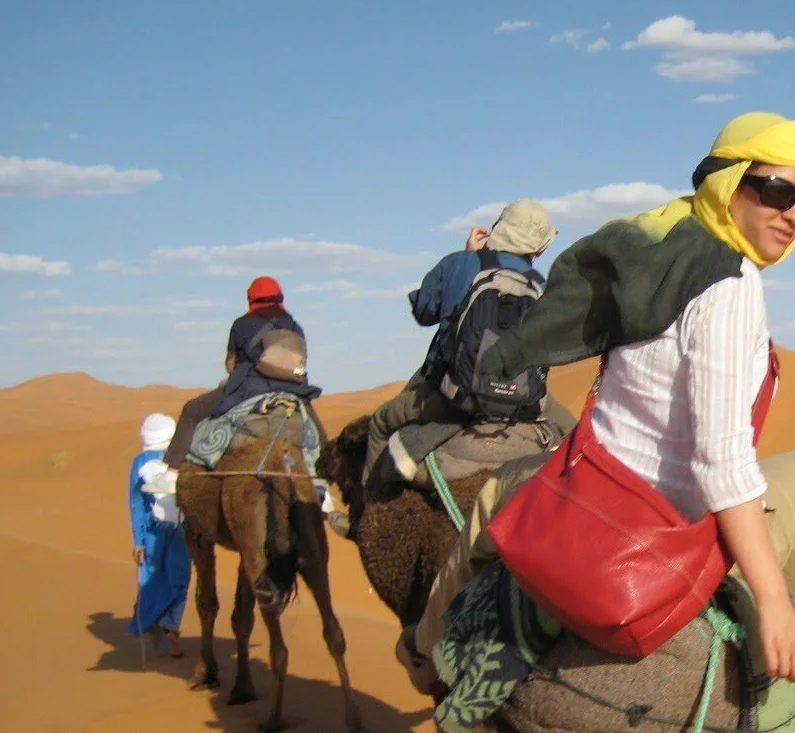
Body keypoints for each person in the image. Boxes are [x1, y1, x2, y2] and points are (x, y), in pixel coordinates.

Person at [409, 112, 795, 685]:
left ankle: (424, 652)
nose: (793, 213)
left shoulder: (655, 245)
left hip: (598, 481)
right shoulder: (728, 284)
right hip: (672, 523)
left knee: (496, 491)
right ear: (728, 180)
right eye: (776, 191)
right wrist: (773, 602)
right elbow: (722, 464)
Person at [362, 200, 560, 484]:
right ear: (541, 248)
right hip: (522, 402)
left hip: (451, 396)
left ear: (496, 230)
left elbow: (424, 311)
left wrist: (467, 260)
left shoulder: (459, 264)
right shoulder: (543, 287)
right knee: (576, 438)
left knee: (381, 421)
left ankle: (370, 511)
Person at [145, 276, 327, 493]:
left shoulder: (242, 324)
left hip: (249, 389)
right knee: (318, 434)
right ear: (280, 299)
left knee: (192, 411)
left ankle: (171, 474)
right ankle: (322, 485)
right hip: (294, 391)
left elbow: (231, 365)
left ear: (252, 299)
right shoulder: (296, 327)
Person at [129, 412, 191, 657]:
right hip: (178, 530)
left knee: (154, 580)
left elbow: (137, 504)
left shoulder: (141, 461)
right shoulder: (183, 457)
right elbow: (138, 502)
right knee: (176, 579)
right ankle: (167, 626)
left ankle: (164, 625)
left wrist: (139, 541)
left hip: (162, 530)